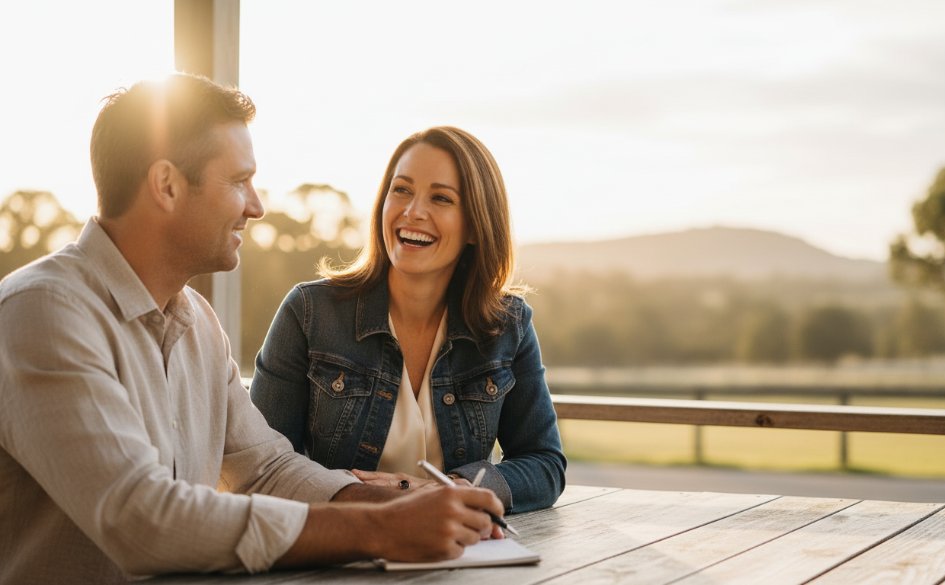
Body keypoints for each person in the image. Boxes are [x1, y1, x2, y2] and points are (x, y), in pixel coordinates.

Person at [0, 74, 506, 585]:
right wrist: (378, 528)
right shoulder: (43, 312)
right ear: (167, 185)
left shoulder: (197, 322)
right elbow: (141, 518)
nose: (256, 205)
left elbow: (265, 470)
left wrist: (407, 501)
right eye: (239, 180)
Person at [249, 126, 566, 514]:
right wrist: (375, 497)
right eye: (401, 190)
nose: (413, 211)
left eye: (441, 198)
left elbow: (544, 464)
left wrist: (451, 489)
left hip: (453, 551)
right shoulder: (309, 312)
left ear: (475, 225)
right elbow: (263, 466)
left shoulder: (507, 325)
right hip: (337, 545)